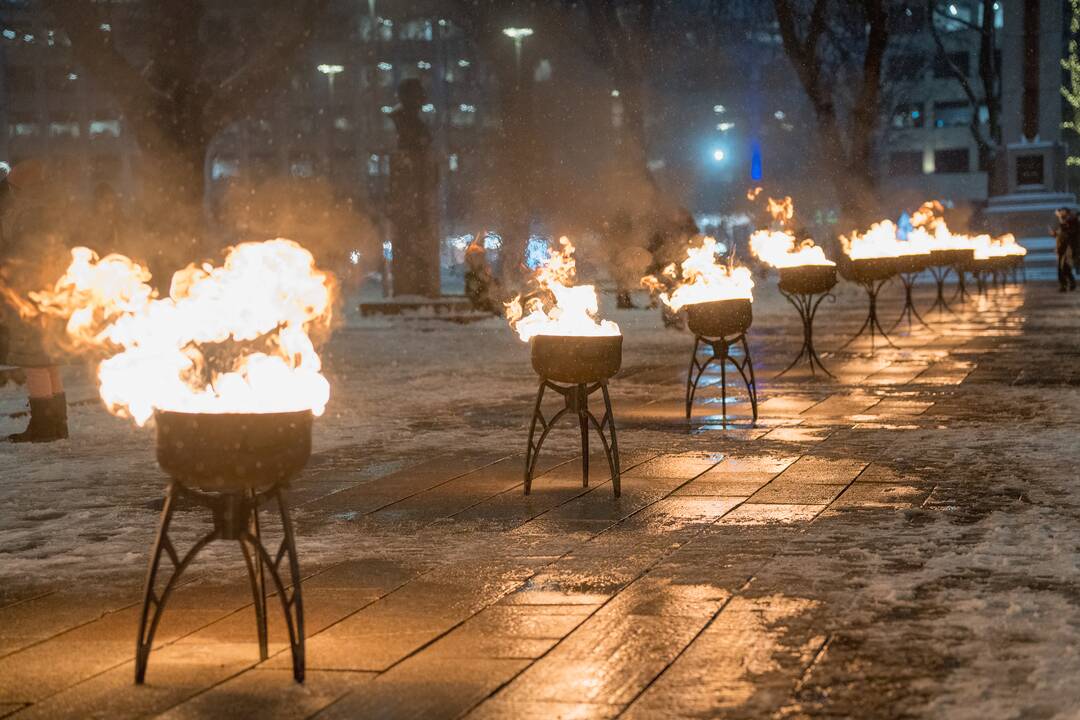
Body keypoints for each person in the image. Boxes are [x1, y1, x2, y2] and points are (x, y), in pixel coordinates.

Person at [0, 159, 68, 442]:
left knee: (34, 355)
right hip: (46, 288)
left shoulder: (22, 207)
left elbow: (16, 247)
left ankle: (44, 425)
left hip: (29, 289)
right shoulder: (46, 203)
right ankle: (55, 424)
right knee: (46, 356)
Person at [1053, 207, 1079, 292]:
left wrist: (1063, 225)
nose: (1060, 213)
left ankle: (1067, 284)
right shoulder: (1064, 222)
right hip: (1062, 248)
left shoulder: (1072, 221)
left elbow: (1071, 233)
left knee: (1064, 267)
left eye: (1062, 212)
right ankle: (1067, 284)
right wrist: (1055, 233)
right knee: (1062, 268)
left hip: (1069, 248)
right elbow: (1060, 233)